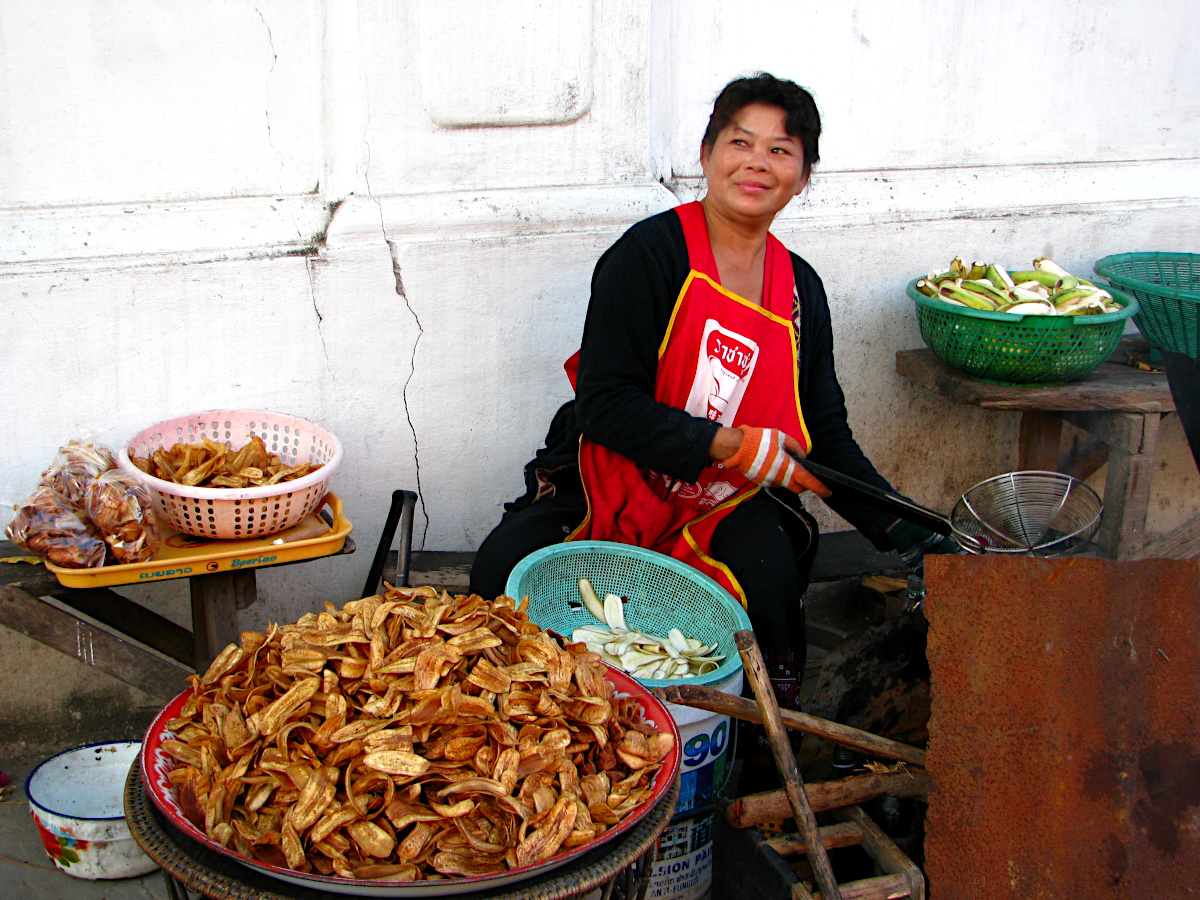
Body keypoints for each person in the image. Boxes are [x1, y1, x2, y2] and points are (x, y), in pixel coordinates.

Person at [470, 72, 953, 724]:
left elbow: (824, 437)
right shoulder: (648, 256)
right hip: (611, 475)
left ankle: (753, 759)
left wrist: (908, 528)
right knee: (505, 566)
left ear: (803, 177)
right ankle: (534, 737)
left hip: (726, 496)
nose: (757, 162)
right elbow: (605, 406)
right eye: (740, 141)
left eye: (781, 150)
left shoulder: (799, 290)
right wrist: (732, 443)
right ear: (706, 155)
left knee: (771, 580)